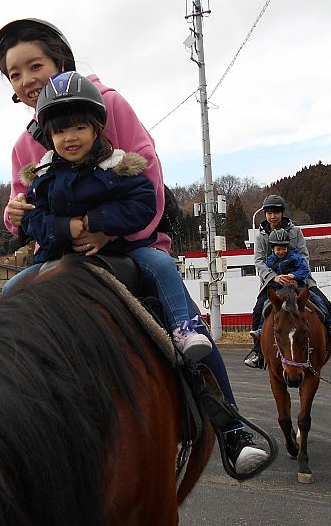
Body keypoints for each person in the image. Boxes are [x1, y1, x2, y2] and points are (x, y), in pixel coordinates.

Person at [0, 18, 267, 472]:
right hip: (62, 253)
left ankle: (231, 430)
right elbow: (19, 208)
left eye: (34, 65)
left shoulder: (109, 103)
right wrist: (15, 216)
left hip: (130, 242)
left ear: (60, 61)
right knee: (10, 304)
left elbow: (150, 182)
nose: (26, 81)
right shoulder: (25, 144)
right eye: (14, 74)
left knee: (179, 317)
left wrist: (103, 230)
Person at [20, 70, 212, 361]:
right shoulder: (44, 178)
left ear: (96, 129)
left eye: (79, 128)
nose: (69, 138)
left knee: (161, 263)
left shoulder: (117, 167)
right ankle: (19, 350)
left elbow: (143, 203)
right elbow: (32, 219)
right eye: (60, 131)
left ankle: (182, 327)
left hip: (123, 247)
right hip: (60, 253)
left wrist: (98, 223)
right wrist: (62, 227)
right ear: (49, 136)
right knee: (12, 287)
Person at [245, 194, 331, 368]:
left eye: (276, 212)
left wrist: (294, 276)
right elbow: (259, 261)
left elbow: (304, 256)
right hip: (273, 282)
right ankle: (257, 352)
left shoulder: (296, 232)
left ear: (282, 213)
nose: (272, 216)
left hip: (299, 280)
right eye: (269, 212)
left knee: (324, 304)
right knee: (258, 310)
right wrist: (274, 277)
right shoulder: (261, 236)